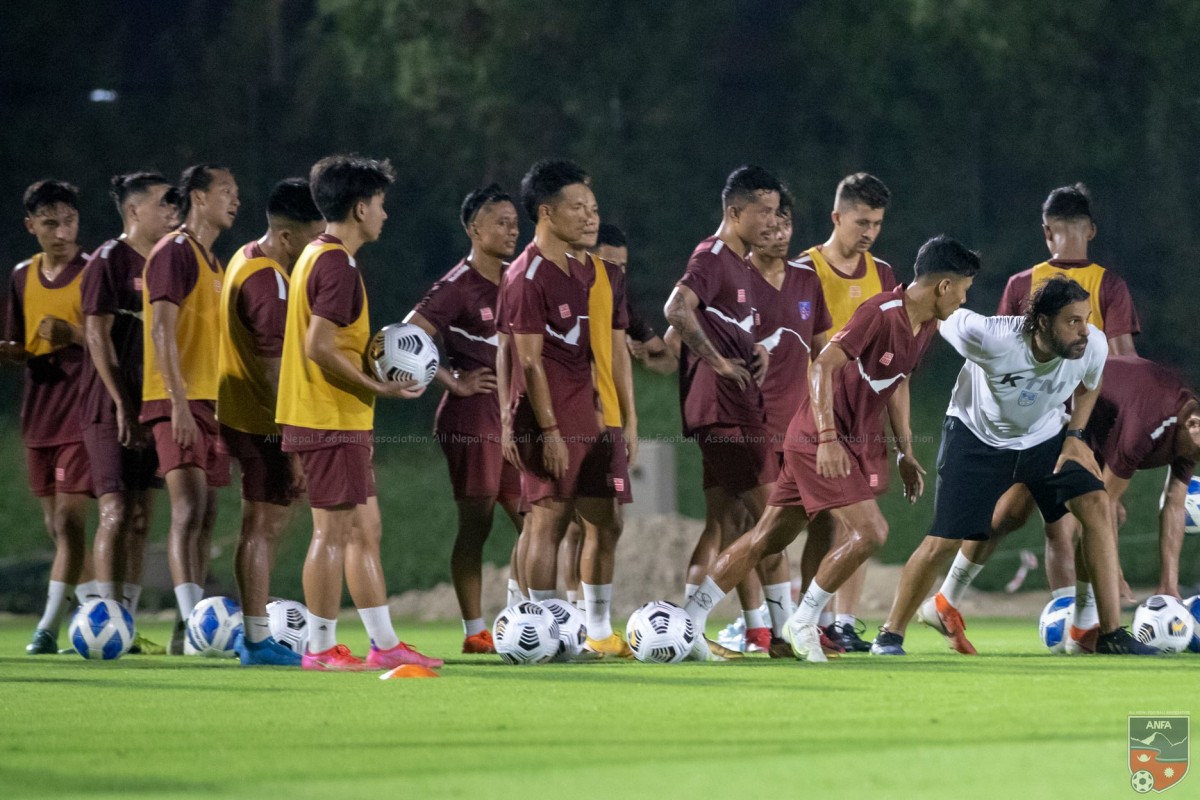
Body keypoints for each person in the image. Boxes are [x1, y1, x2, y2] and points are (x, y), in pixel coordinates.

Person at [682, 235, 977, 662]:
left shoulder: (925, 325)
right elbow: (822, 365)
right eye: (964, 289)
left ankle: (688, 622)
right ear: (944, 286)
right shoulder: (879, 311)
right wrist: (826, 438)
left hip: (844, 440)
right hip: (818, 438)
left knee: (765, 538)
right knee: (871, 531)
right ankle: (803, 621)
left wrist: (904, 450)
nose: (964, 299)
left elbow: (898, 384)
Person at [873, 276, 1157, 656]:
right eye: (1072, 321)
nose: (1084, 331)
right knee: (946, 539)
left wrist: (1075, 436)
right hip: (976, 438)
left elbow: (1090, 385)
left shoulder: (1093, 346)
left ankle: (1108, 633)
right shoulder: (990, 337)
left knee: (1096, 504)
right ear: (1041, 322)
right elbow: (940, 316)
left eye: (1085, 319)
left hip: (1044, 438)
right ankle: (890, 635)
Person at [911, 354, 1199, 651]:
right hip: (1054, 413)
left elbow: (1175, 503)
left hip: (1091, 431)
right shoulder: (1150, 422)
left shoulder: (1189, 437)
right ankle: (1083, 627)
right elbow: (1105, 505)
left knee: (1011, 513)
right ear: (1192, 423)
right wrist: (1114, 572)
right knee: (1089, 511)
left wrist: (1169, 585)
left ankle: (945, 601)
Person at [277, 153, 442, 672]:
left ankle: (384, 644)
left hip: (335, 418)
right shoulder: (336, 265)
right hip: (328, 418)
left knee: (365, 529)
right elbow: (318, 345)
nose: (385, 215)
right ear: (360, 207)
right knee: (330, 532)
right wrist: (378, 385)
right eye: (380, 204)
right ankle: (321, 649)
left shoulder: (315, 255)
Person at [978, 183, 1142, 600]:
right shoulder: (1109, 284)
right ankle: (1081, 619)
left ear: (1047, 231)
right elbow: (1125, 364)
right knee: (1075, 517)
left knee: (1053, 525)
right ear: (1091, 230)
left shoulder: (1021, 283)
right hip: (1091, 422)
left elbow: (999, 355)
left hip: (1031, 418)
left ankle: (1068, 614)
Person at [495, 159, 629, 656]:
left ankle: (595, 631)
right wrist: (547, 430)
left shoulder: (585, 269)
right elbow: (526, 361)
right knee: (547, 520)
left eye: (593, 208)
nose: (591, 217)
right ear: (547, 213)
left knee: (606, 519)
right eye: (579, 208)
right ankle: (544, 629)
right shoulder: (526, 274)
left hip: (591, 414)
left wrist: (622, 417)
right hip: (548, 417)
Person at [404, 183, 524, 654]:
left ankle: (525, 618)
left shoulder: (519, 278)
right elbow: (408, 334)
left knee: (535, 522)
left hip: (515, 420)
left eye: (516, 223)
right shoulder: (456, 286)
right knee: (478, 524)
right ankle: (476, 631)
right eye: (502, 222)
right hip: (472, 418)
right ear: (474, 228)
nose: (513, 230)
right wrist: (451, 379)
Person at [663, 165, 777, 652]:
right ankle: (784, 632)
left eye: (776, 212)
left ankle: (694, 632)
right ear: (734, 212)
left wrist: (756, 348)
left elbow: (674, 336)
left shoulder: (743, 266)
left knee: (727, 523)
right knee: (776, 517)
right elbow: (675, 309)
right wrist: (717, 364)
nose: (772, 221)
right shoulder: (711, 255)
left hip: (726, 408)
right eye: (763, 211)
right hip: (725, 410)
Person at [217, 177, 325, 665]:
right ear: (286, 236)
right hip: (265, 423)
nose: (319, 247)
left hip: (243, 414)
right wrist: (294, 443)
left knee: (257, 525)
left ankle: (253, 633)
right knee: (263, 526)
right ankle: (258, 640)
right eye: (314, 236)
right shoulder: (270, 283)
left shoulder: (243, 257)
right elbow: (271, 368)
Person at [791, 172, 897, 652]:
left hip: (865, 419)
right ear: (836, 217)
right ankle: (789, 618)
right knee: (809, 523)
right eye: (860, 221)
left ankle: (844, 622)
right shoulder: (804, 269)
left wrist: (900, 435)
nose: (869, 232)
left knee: (859, 522)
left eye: (876, 223)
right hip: (813, 418)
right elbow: (799, 350)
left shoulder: (885, 275)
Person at [141, 164, 238, 654]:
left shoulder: (215, 264)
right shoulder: (175, 251)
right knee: (188, 507)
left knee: (208, 512)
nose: (235, 200)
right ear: (198, 197)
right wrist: (177, 402)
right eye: (226, 191)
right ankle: (191, 624)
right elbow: (160, 328)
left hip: (210, 403)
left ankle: (190, 629)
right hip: (175, 398)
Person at [80, 172, 177, 652]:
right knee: (114, 512)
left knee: (142, 517)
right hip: (108, 405)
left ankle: (128, 627)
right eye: (163, 203)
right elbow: (96, 335)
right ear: (134, 211)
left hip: (155, 402)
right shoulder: (107, 259)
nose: (172, 211)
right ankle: (104, 622)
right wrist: (121, 402)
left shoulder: (167, 260)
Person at [2, 180, 92, 655]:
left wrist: (72, 333)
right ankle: (101, 614)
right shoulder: (21, 276)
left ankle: (49, 625)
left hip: (83, 413)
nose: (62, 231)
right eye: (50, 222)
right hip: (38, 414)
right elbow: (18, 344)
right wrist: (10, 352)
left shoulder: (94, 271)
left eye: (70, 220)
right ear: (31, 225)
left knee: (71, 523)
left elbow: (116, 340)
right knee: (58, 529)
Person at [743, 189, 832, 651]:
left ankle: (795, 625)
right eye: (770, 223)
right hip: (751, 422)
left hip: (801, 427)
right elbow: (685, 329)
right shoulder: (733, 277)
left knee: (822, 526)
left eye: (785, 224)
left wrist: (828, 418)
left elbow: (824, 355)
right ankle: (775, 632)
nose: (778, 233)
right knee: (765, 532)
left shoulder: (806, 280)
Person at [596, 223, 677, 375]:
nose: (619, 273)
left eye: (623, 266)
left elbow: (669, 361)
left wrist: (647, 361)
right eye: (611, 265)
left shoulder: (621, 310)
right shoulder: (565, 301)